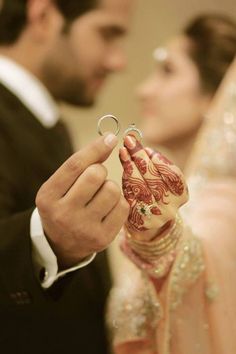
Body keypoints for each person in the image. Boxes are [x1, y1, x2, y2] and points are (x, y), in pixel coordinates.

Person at [0, 0, 135, 353]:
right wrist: (46, 240)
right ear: (43, 17)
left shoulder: (44, 122)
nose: (118, 61)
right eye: (107, 33)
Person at [108, 14, 236, 354]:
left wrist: (157, 238)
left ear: (214, 96)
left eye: (167, 71)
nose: (143, 89)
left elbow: (192, 258)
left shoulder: (224, 205)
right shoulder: (190, 199)